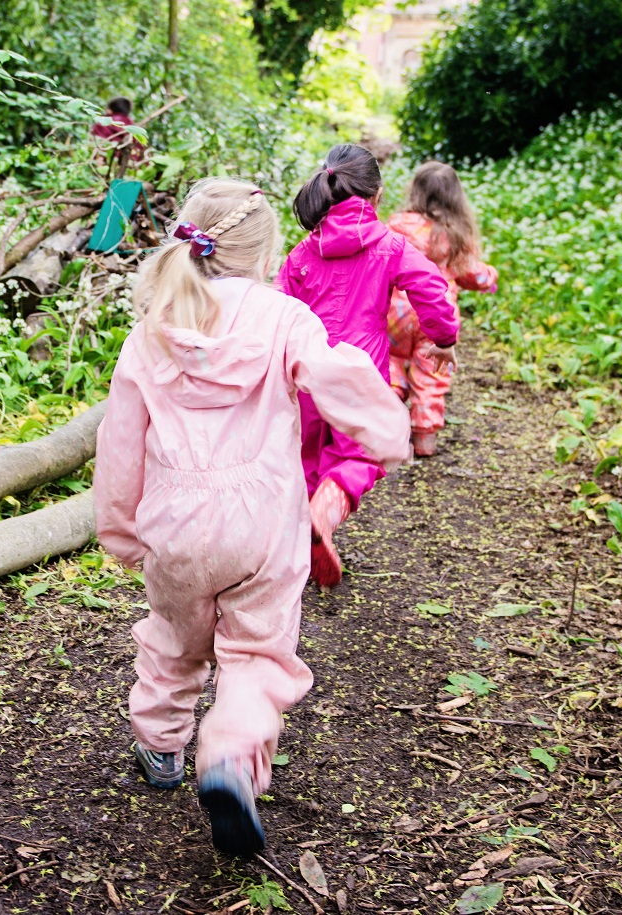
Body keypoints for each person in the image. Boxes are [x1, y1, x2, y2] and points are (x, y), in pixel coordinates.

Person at [94, 178, 408, 857]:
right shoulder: (284, 317)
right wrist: (387, 431)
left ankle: (159, 749)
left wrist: (120, 529)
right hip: (263, 521)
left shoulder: (151, 332)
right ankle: (231, 756)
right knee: (258, 649)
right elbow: (335, 376)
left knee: (172, 639)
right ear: (265, 253)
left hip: (174, 523)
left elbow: (119, 444)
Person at [277, 143, 459, 588]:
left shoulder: (302, 254)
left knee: (308, 453)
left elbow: (277, 312)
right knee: (363, 452)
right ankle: (323, 516)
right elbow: (431, 288)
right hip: (360, 373)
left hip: (306, 372)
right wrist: (444, 338)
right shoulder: (390, 246)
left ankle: (293, 542)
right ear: (376, 197)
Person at [387, 160, 499, 457]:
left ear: (416, 191)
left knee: (391, 362)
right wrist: (490, 277)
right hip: (436, 316)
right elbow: (472, 274)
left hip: (395, 310)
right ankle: (425, 439)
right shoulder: (455, 232)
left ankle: (387, 419)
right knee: (432, 373)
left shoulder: (398, 225)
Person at [90, 95, 146, 170]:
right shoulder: (135, 129)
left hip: (103, 166)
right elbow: (140, 151)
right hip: (128, 167)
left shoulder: (102, 124)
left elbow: (94, 144)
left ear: (110, 109)